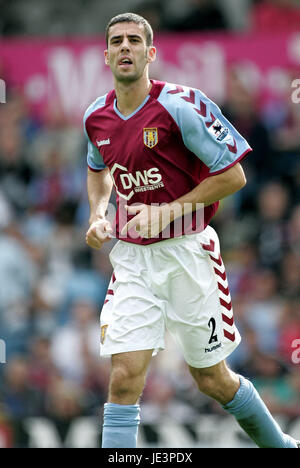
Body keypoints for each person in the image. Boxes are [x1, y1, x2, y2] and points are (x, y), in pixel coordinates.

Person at [83, 13, 299, 448]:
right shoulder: (95, 116)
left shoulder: (182, 105)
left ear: (151, 53)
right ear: (106, 56)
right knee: (124, 377)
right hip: (133, 258)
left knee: (211, 380)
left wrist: (167, 213)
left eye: (134, 41)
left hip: (189, 253)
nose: (125, 47)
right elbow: (98, 169)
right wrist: (97, 213)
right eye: (117, 42)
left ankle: (281, 446)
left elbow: (234, 176)